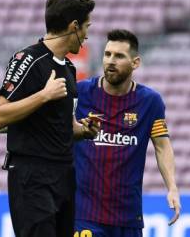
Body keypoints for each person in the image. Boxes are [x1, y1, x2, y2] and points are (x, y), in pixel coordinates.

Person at [0, 0, 98, 237]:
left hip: (63, 173)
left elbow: (67, 127)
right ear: (74, 26)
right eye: (86, 27)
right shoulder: (27, 60)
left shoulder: (69, 67)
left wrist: (85, 130)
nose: (86, 35)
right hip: (31, 176)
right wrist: (44, 95)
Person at [73, 29, 181, 237]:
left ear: (135, 63)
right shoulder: (81, 93)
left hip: (128, 218)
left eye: (119, 56)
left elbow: (162, 145)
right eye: (107, 54)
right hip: (85, 215)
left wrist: (172, 187)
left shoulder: (150, 102)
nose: (111, 61)